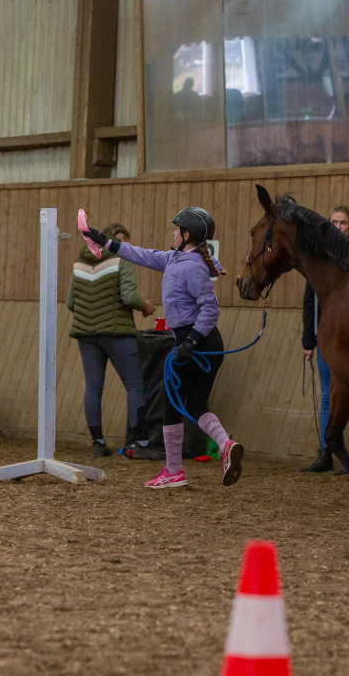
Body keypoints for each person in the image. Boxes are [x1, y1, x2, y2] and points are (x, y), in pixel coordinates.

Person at [81, 207, 244, 489]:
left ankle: (173, 471)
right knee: (194, 405)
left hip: (196, 342)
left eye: (176, 229)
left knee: (171, 403)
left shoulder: (192, 267)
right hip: (200, 341)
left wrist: (190, 342)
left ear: (186, 235)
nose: (172, 232)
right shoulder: (174, 258)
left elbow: (210, 309)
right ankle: (226, 445)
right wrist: (104, 241)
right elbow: (140, 254)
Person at [67, 222, 155, 457]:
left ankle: (98, 443)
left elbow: (71, 302)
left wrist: (91, 315)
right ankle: (141, 444)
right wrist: (145, 306)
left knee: (93, 387)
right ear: (118, 239)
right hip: (117, 333)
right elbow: (128, 296)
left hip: (86, 334)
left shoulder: (79, 263)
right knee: (134, 385)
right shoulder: (122, 259)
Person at [299, 206, 349, 474]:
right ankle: (325, 452)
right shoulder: (318, 259)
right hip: (324, 337)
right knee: (327, 395)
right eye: (334, 222)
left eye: (343, 223)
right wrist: (308, 339)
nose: (338, 227)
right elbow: (309, 302)